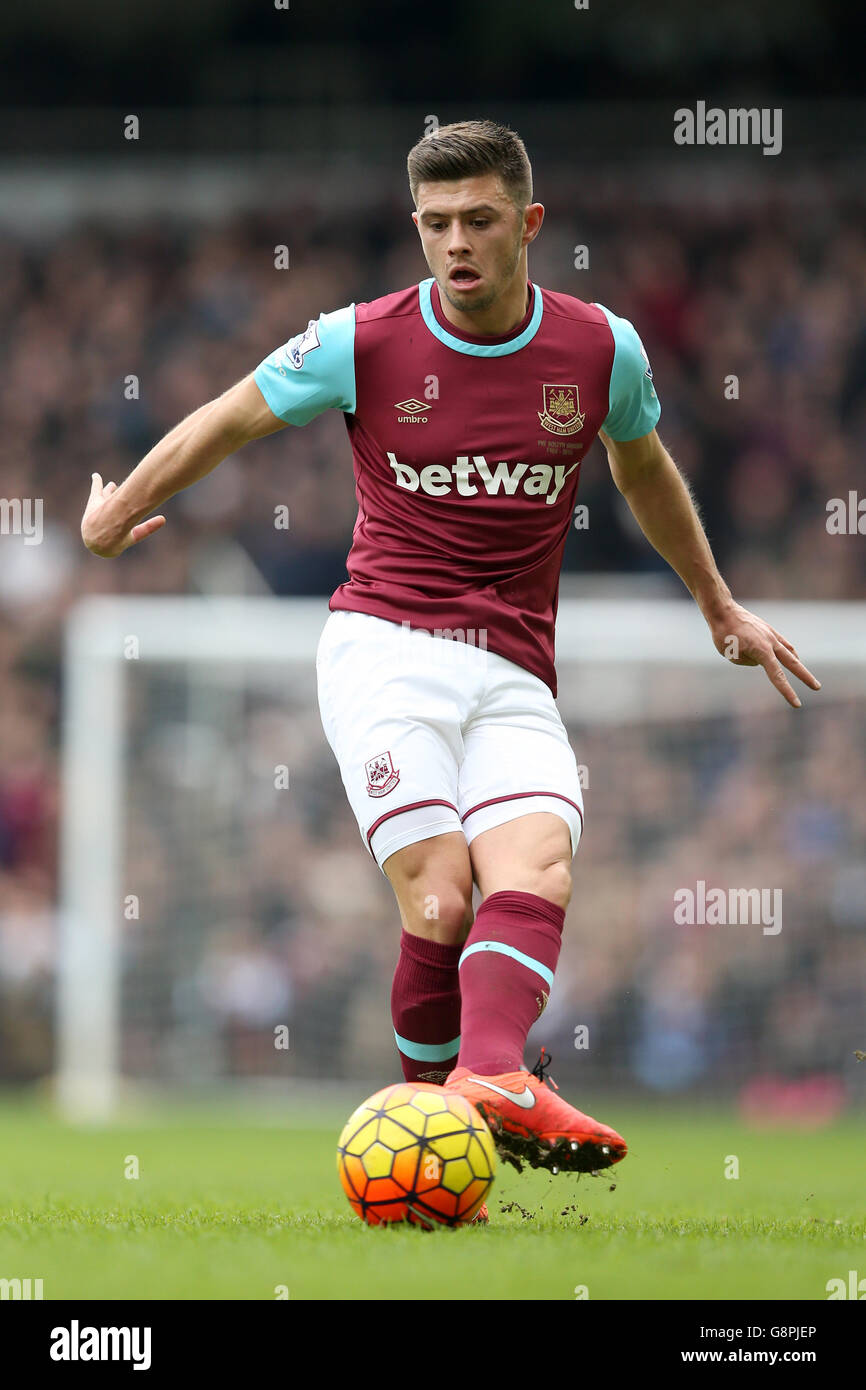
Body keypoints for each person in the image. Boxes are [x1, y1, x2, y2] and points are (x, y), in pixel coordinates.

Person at [81, 119, 820, 1177]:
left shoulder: (598, 349)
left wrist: (715, 601)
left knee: (540, 867)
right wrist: (121, 508)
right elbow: (229, 418)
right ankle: (460, 1104)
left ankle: (474, 1095)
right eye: (435, 225)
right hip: (386, 646)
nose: (456, 243)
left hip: (514, 664)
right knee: (438, 896)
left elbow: (642, 468)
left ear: (528, 224)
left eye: (478, 221)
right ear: (415, 228)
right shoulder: (362, 340)